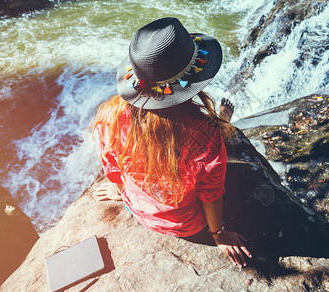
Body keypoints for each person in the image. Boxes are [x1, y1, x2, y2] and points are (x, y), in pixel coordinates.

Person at [91, 17, 251, 268]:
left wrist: (122, 191)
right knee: (223, 137)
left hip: (138, 209)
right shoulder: (205, 137)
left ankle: (224, 120)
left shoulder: (110, 118)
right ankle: (225, 120)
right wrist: (219, 235)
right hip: (186, 225)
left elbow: (112, 166)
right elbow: (211, 194)